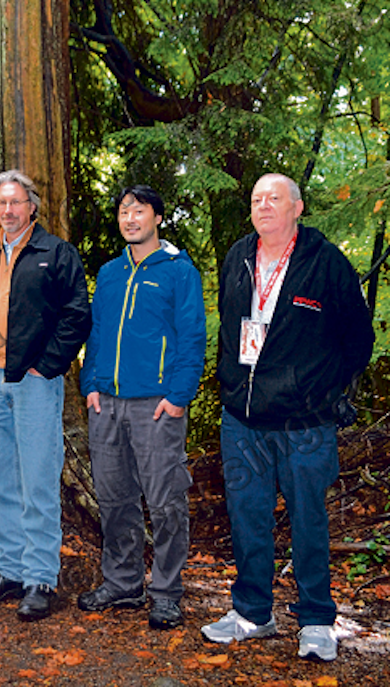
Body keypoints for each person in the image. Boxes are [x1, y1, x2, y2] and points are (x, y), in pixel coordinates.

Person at [202, 173, 374, 661]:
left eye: (274, 198)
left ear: (297, 207)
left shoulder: (326, 263)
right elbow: (233, 328)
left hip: (305, 423)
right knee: (248, 517)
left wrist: (320, 389)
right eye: (257, 199)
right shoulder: (239, 256)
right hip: (244, 419)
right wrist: (231, 384)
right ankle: (253, 612)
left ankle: (317, 619)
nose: (264, 206)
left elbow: (357, 340)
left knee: (308, 519)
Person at [0, 169, 91, 621]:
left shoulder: (56, 253)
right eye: (1, 203)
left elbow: (77, 314)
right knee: (0, 481)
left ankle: (39, 577)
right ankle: (11, 569)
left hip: (34, 382)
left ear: (31, 206)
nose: (9, 210)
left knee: (37, 480)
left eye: (16, 202)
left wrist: (47, 364)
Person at [78, 184, 206, 630]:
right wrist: (90, 383)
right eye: (124, 212)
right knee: (114, 499)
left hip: (156, 406)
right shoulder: (111, 273)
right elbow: (95, 334)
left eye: (139, 211)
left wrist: (177, 397)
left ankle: (167, 592)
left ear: (156, 217)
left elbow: (192, 337)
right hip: (106, 405)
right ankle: (123, 582)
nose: (130, 219)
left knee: (166, 500)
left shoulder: (178, 271)